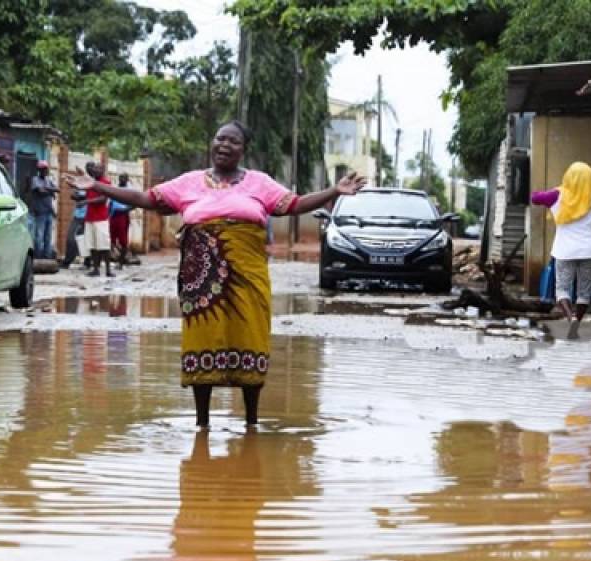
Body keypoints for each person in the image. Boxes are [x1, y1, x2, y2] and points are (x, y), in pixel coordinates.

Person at [65, 120, 366, 430]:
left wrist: (334, 190)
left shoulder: (259, 183)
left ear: (243, 149)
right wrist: (97, 186)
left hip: (249, 277)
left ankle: (251, 421)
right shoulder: (190, 182)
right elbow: (146, 200)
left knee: (250, 337)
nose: (224, 145)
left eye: (233, 141)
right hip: (200, 280)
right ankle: (202, 424)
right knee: (202, 339)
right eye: (219, 138)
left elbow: (294, 204)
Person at [531, 162, 591, 339]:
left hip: (564, 251)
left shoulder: (557, 195)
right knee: (584, 292)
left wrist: (556, 190)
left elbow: (534, 198)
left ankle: (570, 319)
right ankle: (577, 320)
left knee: (562, 289)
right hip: (589, 251)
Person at [75, 162, 114, 277]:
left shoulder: (106, 183)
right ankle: (95, 269)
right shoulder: (89, 183)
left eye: (98, 169)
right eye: (95, 169)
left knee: (104, 245)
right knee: (92, 245)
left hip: (101, 218)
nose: (95, 170)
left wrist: (85, 202)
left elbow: (102, 199)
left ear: (103, 170)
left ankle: (108, 270)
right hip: (90, 217)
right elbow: (86, 195)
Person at [108, 173, 140, 267]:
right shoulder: (115, 189)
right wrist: (108, 214)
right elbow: (110, 203)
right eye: (120, 177)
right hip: (113, 216)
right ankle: (114, 257)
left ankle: (121, 262)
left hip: (122, 216)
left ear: (127, 179)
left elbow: (135, 204)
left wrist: (126, 209)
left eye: (123, 178)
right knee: (110, 239)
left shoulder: (130, 190)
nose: (121, 179)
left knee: (123, 240)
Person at [29, 160, 59, 258]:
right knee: (39, 237)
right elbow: (40, 191)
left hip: (49, 212)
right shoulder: (35, 179)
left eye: (46, 169)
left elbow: (57, 189)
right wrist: (51, 191)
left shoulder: (48, 180)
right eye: (43, 169)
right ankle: (37, 257)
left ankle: (47, 257)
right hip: (39, 213)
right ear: (39, 170)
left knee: (48, 237)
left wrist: (48, 190)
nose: (45, 171)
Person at [62, 189, 88, 268]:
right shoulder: (80, 187)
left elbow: (90, 198)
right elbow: (73, 196)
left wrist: (83, 198)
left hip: (87, 218)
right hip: (77, 217)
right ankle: (67, 261)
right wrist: (83, 198)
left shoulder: (93, 187)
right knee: (70, 239)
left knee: (86, 240)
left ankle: (88, 262)